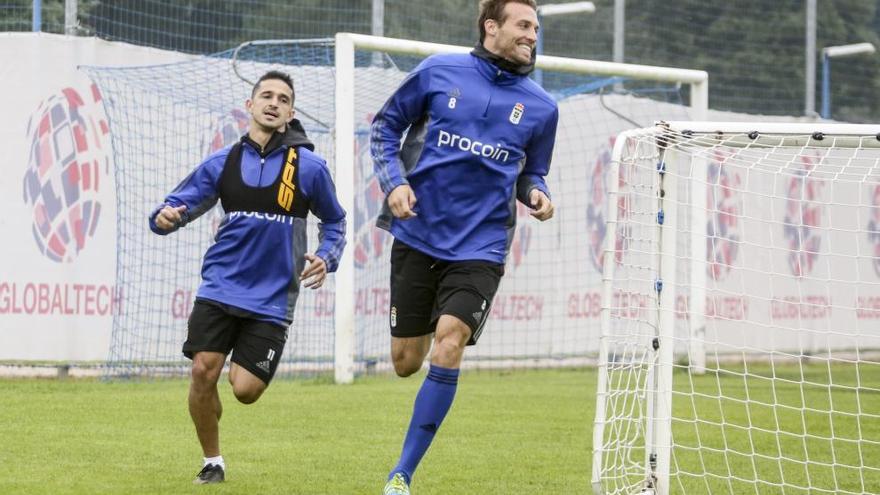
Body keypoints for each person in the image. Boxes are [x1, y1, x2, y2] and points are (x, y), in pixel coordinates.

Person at [370, 1, 557, 493]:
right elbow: (385, 128)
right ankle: (426, 335)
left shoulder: (542, 106)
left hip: (483, 247)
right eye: (523, 25)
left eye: (535, 28)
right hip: (418, 235)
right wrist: (394, 183)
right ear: (490, 27)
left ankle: (401, 474)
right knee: (406, 362)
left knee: (449, 342)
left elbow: (531, 171)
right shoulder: (438, 71)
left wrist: (537, 193)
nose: (532, 36)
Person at [149, 70, 346, 484]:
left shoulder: (309, 167)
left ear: (291, 113)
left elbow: (335, 222)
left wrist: (327, 257)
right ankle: (213, 461)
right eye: (267, 96)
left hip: (272, 298)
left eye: (283, 99)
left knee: (245, 390)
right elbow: (175, 205)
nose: (274, 103)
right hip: (220, 285)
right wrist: (164, 217)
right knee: (203, 370)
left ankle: (214, 405)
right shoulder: (223, 162)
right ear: (250, 106)